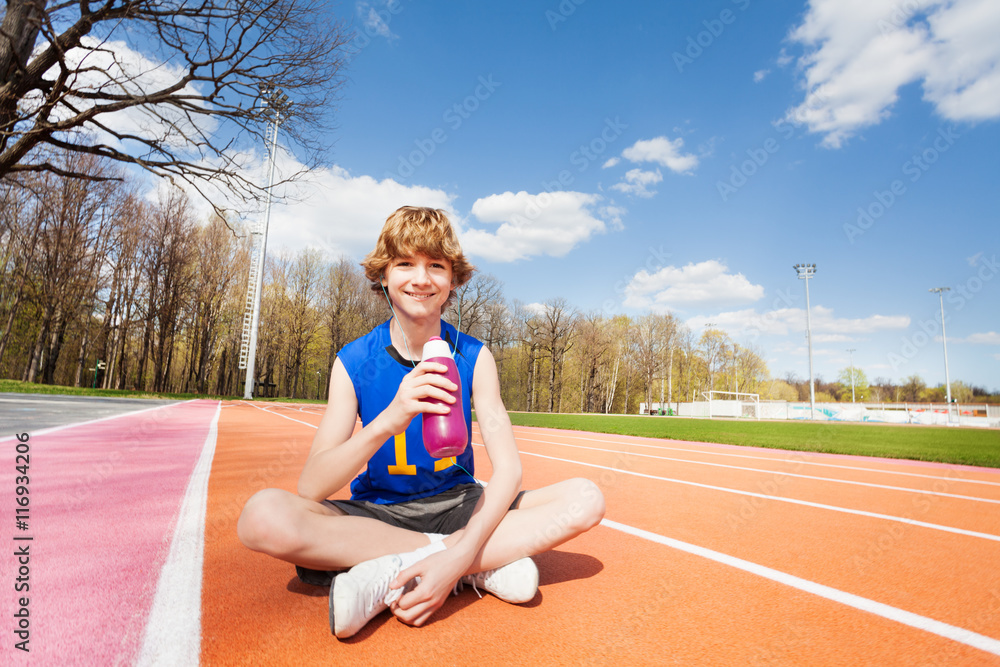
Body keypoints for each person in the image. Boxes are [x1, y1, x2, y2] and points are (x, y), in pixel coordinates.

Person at [237, 206, 605, 639]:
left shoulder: (474, 356)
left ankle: (412, 570)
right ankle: (478, 567)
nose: (421, 278)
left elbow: (509, 470)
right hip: (377, 518)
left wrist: (459, 548)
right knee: (261, 517)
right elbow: (312, 486)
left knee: (586, 499)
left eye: (436, 265)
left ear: (453, 281)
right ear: (383, 277)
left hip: (458, 506)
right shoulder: (353, 361)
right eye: (405, 264)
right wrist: (389, 420)